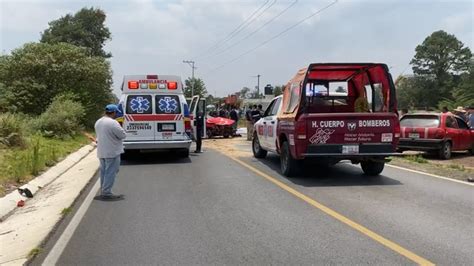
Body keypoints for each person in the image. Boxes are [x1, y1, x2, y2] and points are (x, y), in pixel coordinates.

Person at [94, 104, 126, 200]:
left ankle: (104, 190)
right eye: (116, 112)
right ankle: (106, 193)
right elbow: (122, 135)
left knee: (104, 172)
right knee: (111, 172)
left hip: (101, 151)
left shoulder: (98, 122)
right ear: (113, 112)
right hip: (112, 151)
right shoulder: (113, 123)